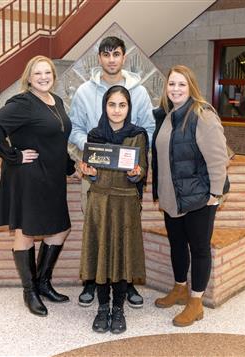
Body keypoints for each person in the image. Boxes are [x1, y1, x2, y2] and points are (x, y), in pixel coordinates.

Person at [0, 55, 76, 317]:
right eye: (38, 74)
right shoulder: (23, 102)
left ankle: (43, 283)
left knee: (60, 229)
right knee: (26, 231)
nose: (43, 77)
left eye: (47, 73)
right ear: (29, 78)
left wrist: (70, 167)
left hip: (53, 177)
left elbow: (56, 139)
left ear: (53, 76)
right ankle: (30, 291)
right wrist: (14, 155)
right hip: (29, 176)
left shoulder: (55, 101)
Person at [69, 36, 154, 308]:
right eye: (106, 55)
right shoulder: (84, 92)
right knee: (97, 226)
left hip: (127, 181)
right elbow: (74, 128)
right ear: (100, 59)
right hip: (96, 175)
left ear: (124, 57)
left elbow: (148, 130)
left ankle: (126, 283)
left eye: (116, 54)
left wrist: (130, 155)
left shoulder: (138, 92)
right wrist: (97, 150)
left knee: (125, 230)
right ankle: (93, 281)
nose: (111, 59)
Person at [151, 65, 229, 327]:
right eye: (171, 84)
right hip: (172, 198)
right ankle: (179, 288)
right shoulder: (167, 116)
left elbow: (218, 159)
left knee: (199, 248)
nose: (175, 89)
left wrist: (215, 194)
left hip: (198, 198)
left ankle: (195, 302)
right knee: (176, 245)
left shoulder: (202, 115)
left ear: (191, 87)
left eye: (181, 84)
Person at [78, 85, 148, 334]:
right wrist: (91, 174)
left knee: (121, 257)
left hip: (125, 203)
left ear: (129, 108)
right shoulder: (95, 135)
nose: (116, 110)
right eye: (112, 104)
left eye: (122, 105)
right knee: (100, 256)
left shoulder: (138, 135)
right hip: (99, 202)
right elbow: (93, 174)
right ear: (104, 106)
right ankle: (102, 307)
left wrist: (135, 175)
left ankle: (118, 308)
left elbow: (141, 175)